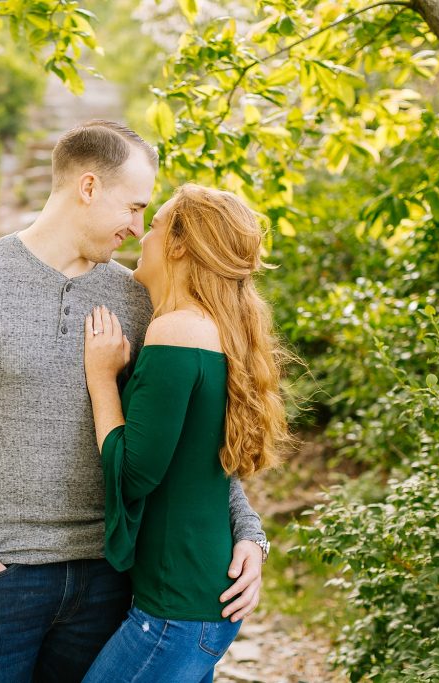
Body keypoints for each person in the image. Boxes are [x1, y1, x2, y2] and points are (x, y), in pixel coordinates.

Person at [0, 121, 270, 683]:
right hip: (0, 579)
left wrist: (248, 529)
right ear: (89, 187)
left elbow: (186, 437)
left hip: (110, 576)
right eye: (133, 207)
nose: (138, 228)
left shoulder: (139, 298)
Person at [80, 184, 290, 682]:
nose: (140, 233)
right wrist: (253, 537)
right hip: (194, 600)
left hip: (176, 609)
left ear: (177, 245)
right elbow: (206, 467)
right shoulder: (212, 329)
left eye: (153, 226)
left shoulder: (177, 330)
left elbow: (133, 474)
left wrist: (101, 377)